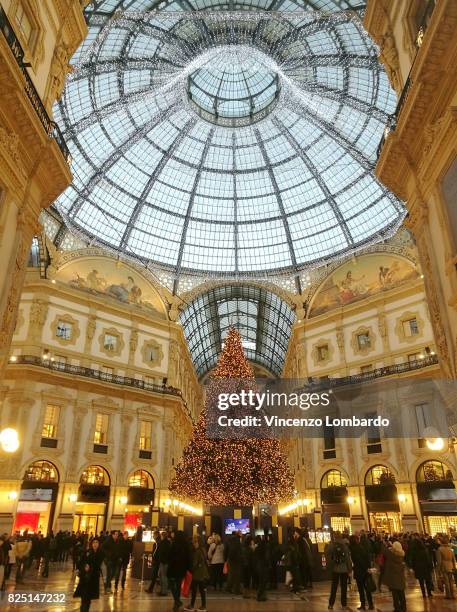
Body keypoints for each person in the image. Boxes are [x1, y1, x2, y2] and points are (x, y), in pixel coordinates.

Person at [73, 538, 104, 612]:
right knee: (84, 597)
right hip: (85, 578)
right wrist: (84, 567)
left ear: (99, 544)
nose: (95, 544)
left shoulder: (101, 554)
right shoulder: (87, 552)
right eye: (94, 542)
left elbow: (102, 565)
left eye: (97, 542)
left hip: (94, 578)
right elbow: (81, 562)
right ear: (91, 544)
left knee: (88, 598)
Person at [324, 531, 352, 610]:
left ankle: (331, 604)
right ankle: (344, 604)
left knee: (334, 587)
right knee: (344, 587)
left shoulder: (332, 545)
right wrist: (350, 569)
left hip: (335, 569)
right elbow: (347, 558)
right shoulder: (345, 545)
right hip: (344, 569)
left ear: (334, 537)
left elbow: (326, 553)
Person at [167, 530, 192, 612]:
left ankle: (177, 601)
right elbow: (189, 558)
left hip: (173, 568)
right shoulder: (186, 545)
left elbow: (170, 556)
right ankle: (177, 602)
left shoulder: (174, 544)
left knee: (171, 584)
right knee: (178, 586)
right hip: (182, 569)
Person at [184, 534, 209, 612]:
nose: (193, 543)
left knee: (194, 590)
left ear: (198, 542)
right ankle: (203, 606)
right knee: (202, 590)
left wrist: (190, 570)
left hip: (197, 574)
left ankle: (192, 606)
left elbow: (194, 564)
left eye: (195, 542)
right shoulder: (203, 550)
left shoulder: (197, 552)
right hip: (203, 573)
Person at [349, 534, 374, 610]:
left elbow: (357, 561)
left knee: (361, 589)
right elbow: (367, 558)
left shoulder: (353, 549)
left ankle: (363, 605)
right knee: (367, 588)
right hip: (365, 571)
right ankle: (370, 605)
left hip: (359, 571)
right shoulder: (362, 547)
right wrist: (368, 568)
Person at [382, 541, 407, 612]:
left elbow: (384, 551)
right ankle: (404, 608)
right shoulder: (401, 555)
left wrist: (386, 544)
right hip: (400, 578)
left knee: (395, 595)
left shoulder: (392, 555)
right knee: (402, 594)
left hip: (393, 578)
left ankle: (397, 608)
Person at [224, 530, 242, 595]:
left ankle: (228, 588)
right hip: (237, 559)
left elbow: (225, 550)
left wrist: (225, 559)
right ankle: (236, 590)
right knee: (237, 575)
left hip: (230, 559)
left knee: (231, 574)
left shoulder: (228, 540)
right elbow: (239, 550)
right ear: (237, 534)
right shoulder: (237, 540)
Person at [155, 530, 171, 596]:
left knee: (163, 577)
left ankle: (164, 591)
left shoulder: (163, 543)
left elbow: (161, 553)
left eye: (161, 536)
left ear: (163, 536)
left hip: (163, 562)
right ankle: (162, 590)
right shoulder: (168, 543)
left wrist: (160, 559)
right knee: (161, 576)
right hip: (164, 562)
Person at [253, 535, 269, 602]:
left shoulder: (257, 548)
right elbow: (266, 557)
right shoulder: (263, 547)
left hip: (259, 565)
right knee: (263, 582)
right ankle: (260, 596)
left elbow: (255, 557)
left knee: (261, 581)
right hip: (263, 565)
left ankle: (261, 596)